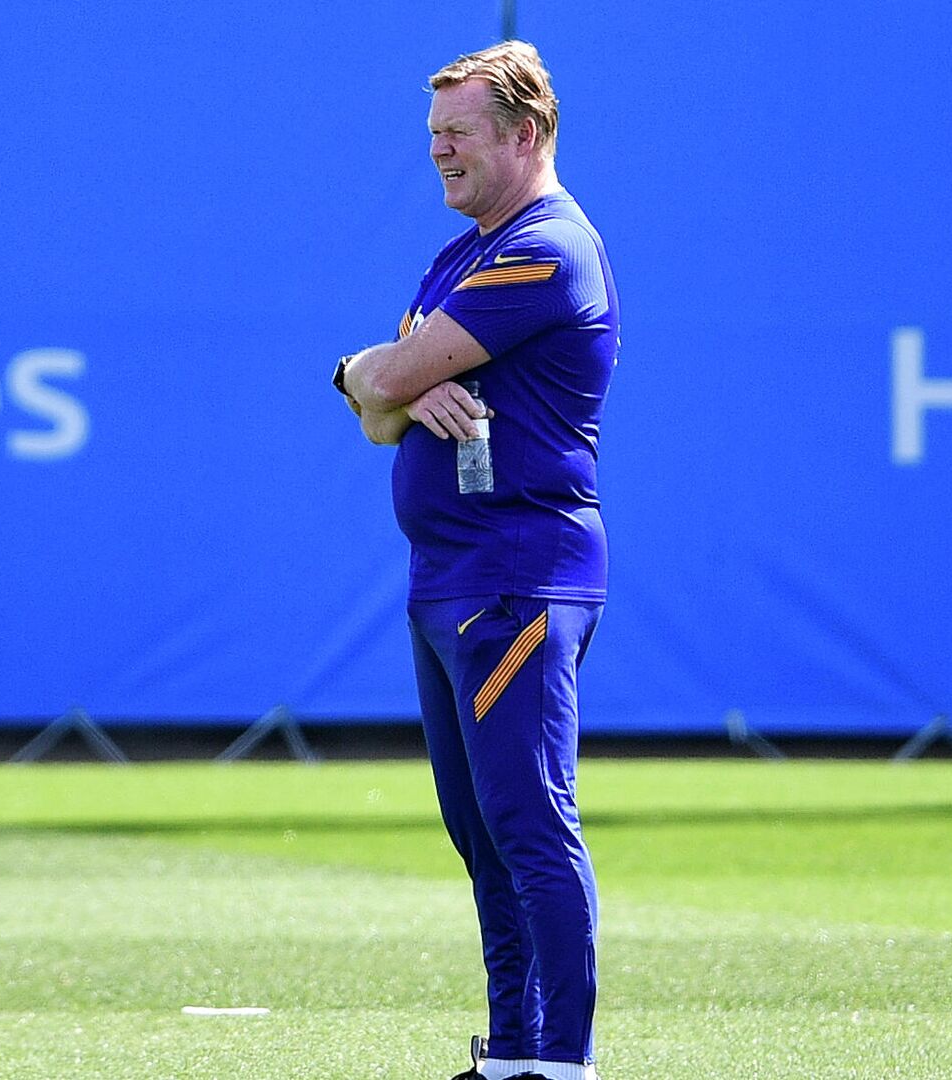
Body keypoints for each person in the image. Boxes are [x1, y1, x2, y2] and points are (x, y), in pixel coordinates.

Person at [332, 40, 618, 1080]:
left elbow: (388, 380)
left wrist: (386, 376)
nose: (440, 152)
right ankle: (512, 1056)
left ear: (527, 134)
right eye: (434, 134)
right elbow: (374, 414)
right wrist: (379, 382)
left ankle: (563, 1064)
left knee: (529, 819)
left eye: (460, 132)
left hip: (517, 576)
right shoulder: (460, 255)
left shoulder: (544, 248)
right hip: (450, 578)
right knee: (480, 831)